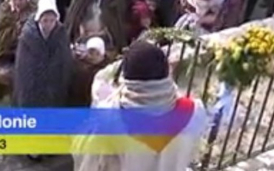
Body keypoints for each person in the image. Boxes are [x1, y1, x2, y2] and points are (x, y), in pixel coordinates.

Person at [75, 41, 208, 171]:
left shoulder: (108, 119)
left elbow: (85, 159)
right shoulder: (195, 112)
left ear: (127, 78)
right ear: (167, 71)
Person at [13, 0, 73, 108]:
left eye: (52, 20)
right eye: (45, 20)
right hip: (33, 89)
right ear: (39, 19)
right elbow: (24, 68)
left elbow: (65, 62)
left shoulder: (62, 35)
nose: (49, 24)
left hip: (54, 89)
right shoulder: (27, 37)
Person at [0, 0, 38, 102]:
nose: (17, 2)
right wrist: (15, 29)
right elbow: (0, 31)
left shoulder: (36, 10)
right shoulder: (5, 10)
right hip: (7, 50)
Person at [68, 36, 109, 107]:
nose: (92, 56)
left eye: (96, 53)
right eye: (90, 52)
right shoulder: (79, 68)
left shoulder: (107, 71)